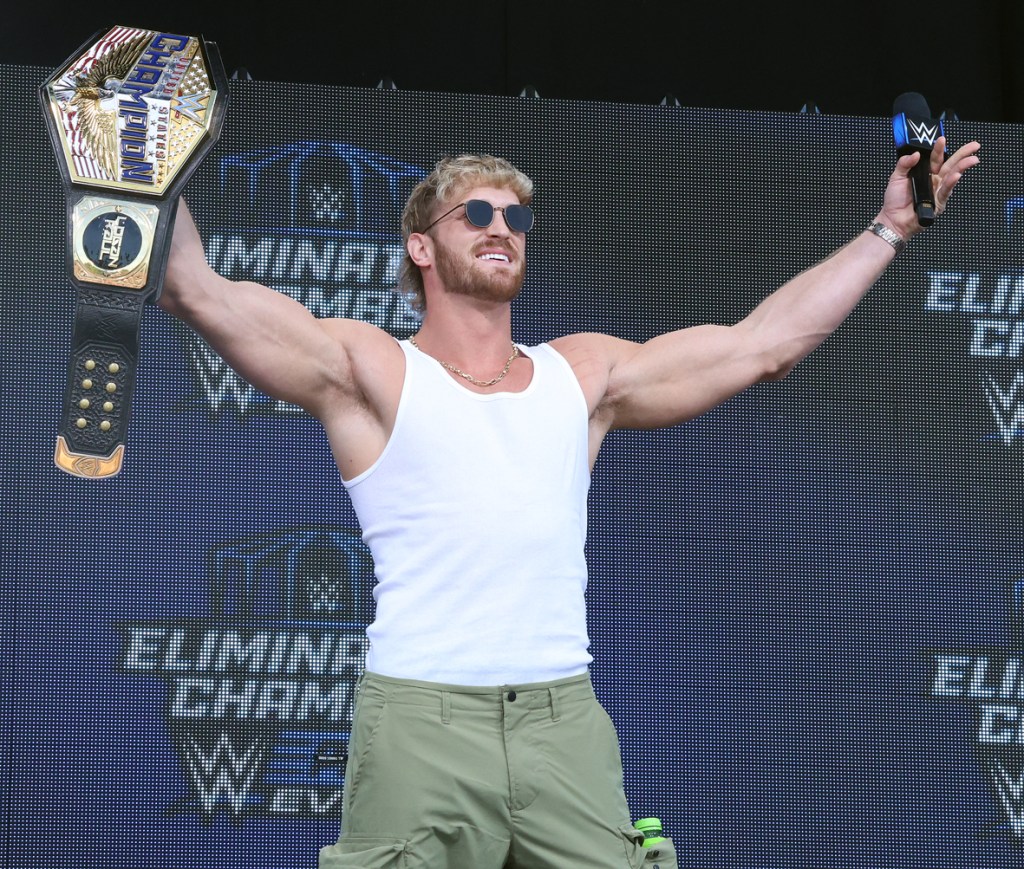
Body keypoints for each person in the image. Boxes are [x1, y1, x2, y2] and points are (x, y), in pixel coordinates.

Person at [160, 139, 980, 868]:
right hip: (421, 722)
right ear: (420, 245)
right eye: (475, 210)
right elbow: (198, 290)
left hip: (564, 723)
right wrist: (150, 160)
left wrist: (889, 230)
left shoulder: (579, 376)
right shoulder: (371, 369)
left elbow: (760, 346)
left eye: (515, 216)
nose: (501, 226)